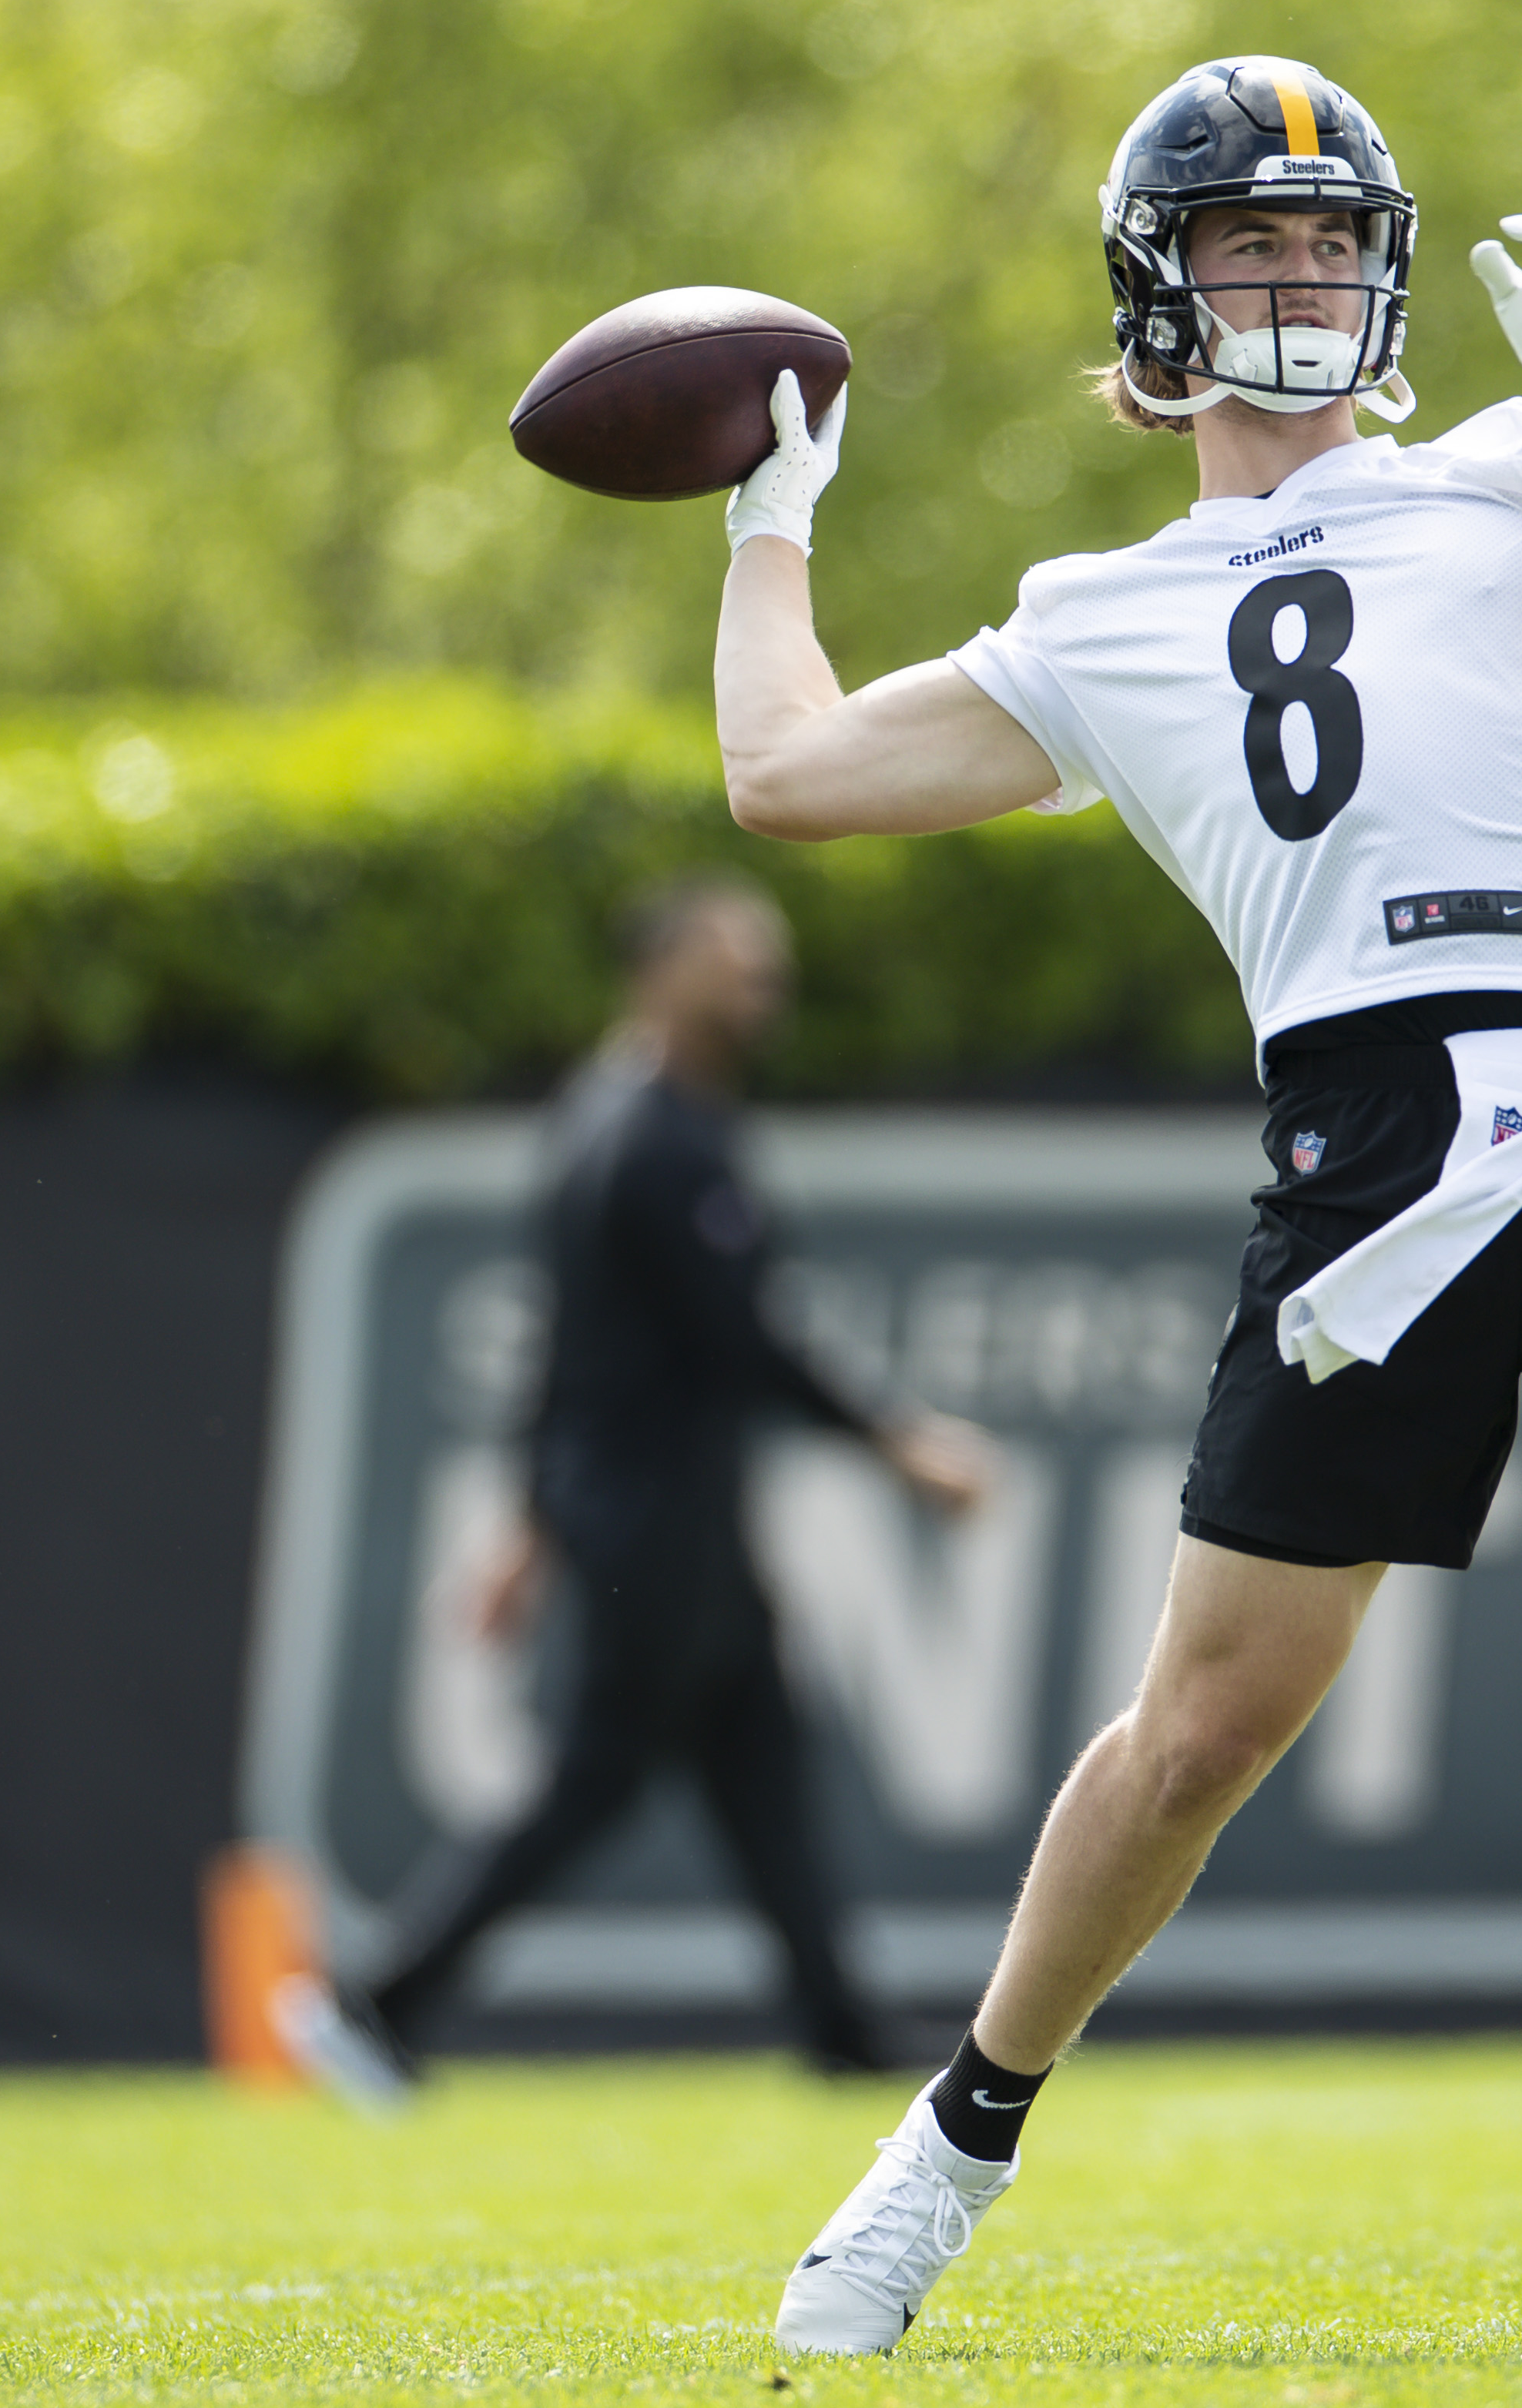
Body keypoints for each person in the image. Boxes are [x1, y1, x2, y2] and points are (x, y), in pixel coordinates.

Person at [710, 57, 1522, 2360]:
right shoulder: (1097, 605)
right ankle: (940, 2149)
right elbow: (785, 769)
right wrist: (771, 514)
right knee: (1201, 1726)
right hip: (1364, 1151)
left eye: (1335, 244)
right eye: (1255, 248)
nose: (1306, 280)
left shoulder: (1507, 468)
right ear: (1157, 297)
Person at [283, 872, 995, 2101]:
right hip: (652, 1521)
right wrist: (902, 1439)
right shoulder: (655, 1140)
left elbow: (564, 1351)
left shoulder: (614, 1118)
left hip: (673, 1518)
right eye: (737, 961)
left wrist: (525, 1524)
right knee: (598, 1775)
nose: (763, 986)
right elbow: (744, 1339)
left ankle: (838, 2027)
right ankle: (376, 2000)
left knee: (762, 1755)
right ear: (662, 968)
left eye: (770, 965)